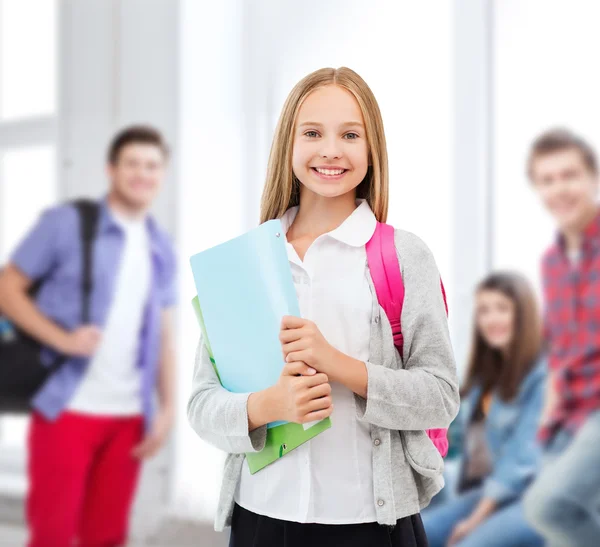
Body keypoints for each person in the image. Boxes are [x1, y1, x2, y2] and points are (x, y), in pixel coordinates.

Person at [187, 66, 459, 547]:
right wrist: (267, 405)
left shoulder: (403, 256)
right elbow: (201, 405)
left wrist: (338, 365)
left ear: (371, 149)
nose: (330, 149)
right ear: (288, 145)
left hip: (371, 526)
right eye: (312, 132)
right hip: (260, 519)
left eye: (350, 134)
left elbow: (440, 396)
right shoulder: (245, 263)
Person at [0, 125, 177, 547]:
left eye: (152, 165)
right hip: (67, 408)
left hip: (129, 417)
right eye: (132, 163)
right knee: (53, 535)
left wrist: (167, 407)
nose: (142, 173)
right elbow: (8, 288)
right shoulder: (66, 224)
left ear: (162, 175)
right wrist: (61, 341)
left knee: (107, 537)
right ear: (111, 169)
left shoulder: (159, 245)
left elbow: (162, 334)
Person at [423, 272, 545, 547]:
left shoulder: (542, 375)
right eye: (484, 311)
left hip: (534, 497)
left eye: (502, 309)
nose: (491, 319)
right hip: (486, 492)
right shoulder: (484, 380)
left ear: (523, 314)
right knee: (420, 535)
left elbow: (520, 461)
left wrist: (474, 521)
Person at [522, 128, 600, 546]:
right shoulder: (552, 261)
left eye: (569, 175)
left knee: (546, 507)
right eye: (547, 180)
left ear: (592, 177)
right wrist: (548, 418)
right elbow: (559, 351)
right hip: (565, 422)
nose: (559, 189)